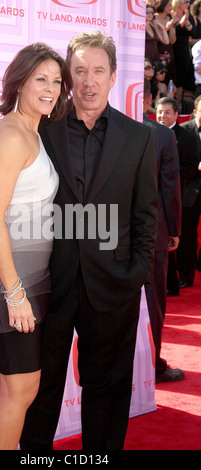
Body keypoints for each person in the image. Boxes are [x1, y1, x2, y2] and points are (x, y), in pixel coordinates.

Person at [20, 30, 158, 451]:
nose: (89, 80)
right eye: (79, 70)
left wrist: (133, 275)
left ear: (114, 77)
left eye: (98, 70)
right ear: (69, 76)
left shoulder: (139, 138)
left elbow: (146, 216)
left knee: (107, 392)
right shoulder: (44, 131)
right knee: (40, 395)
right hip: (51, 285)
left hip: (113, 287)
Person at [0, 43, 72, 450]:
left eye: (56, 81)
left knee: (7, 383)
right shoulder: (11, 135)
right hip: (8, 283)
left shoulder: (33, 129)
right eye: (41, 79)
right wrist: (15, 294)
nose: (50, 88)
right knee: (23, 387)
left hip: (27, 278)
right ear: (20, 82)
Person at [143, 79, 183, 383]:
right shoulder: (160, 135)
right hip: (153, 232)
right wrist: (174, 229)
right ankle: (151, 365)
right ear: (147, 98)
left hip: (103, 231)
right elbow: (170, 186)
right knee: (153, 301)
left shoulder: (100, 128)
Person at [156, 97, 199, 295]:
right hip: (155, 196)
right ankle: (167, 280)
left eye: (166, 112)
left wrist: (168, 174)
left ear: (175, 114)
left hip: (182, 195)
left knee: (184, 238)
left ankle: (185, 276)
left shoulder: (186, 136)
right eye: (159, 112)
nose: (162, 116)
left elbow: (191, 166)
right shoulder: (149, 131)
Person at [178, 95, 201, 286]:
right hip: (190, 190)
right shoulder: (184, 131)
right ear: (195, 112)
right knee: (187, 235)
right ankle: (186, 275)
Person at [171, 0, 193, 106]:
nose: (188, 4)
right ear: (178, 3)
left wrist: (186, 21)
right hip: (174, 51)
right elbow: (172, 29)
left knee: (181, 82)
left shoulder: (187, 16)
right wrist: (181, 23)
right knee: (174, 80)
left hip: (185, 51)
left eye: (189, 2)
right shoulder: (172, 14)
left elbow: (191, 31)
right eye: (185, 2)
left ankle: (178, 107)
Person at [155, 0, 177, 85]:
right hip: (157, 50)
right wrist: (166, 28)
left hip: (168, 52)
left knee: (170, 78)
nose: (172, 8)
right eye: (170, 5)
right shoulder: (154, 18)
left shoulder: (170, 19)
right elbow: (157, 36)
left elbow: (172, 40)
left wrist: (171, 26)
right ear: (163, 5)